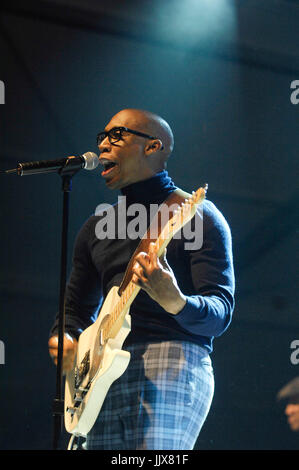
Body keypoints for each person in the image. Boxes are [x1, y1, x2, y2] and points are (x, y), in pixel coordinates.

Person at [48, 108, 235, 450]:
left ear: (154, 147)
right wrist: (66, 340)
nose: (103, 144)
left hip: (171, 358)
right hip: (99, 375)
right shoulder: (96, 227)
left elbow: (220, 313)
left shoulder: (197, 214)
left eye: (116, 135)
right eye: (101, 137)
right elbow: (74, 309)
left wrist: (175, 301)